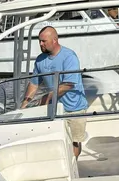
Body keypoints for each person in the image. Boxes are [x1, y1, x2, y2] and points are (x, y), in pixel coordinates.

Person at [20, 26, 88, 157]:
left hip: (74, 107)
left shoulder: (69, 57)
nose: (40, 44)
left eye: (43, 41)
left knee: (74, 142)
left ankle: (73, 167)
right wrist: (25, 103)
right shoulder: (40, 60)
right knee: (56, 140)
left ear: (54, 40)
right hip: (54, 108)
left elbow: (68, 84)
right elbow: (34, 84)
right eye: (39, 41)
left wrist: (46, 98)